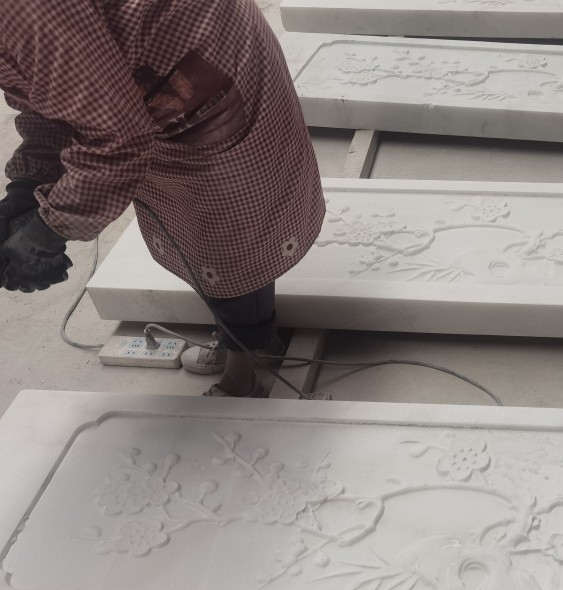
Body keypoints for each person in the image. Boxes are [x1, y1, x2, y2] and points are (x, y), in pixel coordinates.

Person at [0, 0, 325, 396]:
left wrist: (48, 230)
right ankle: (248, 338)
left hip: (202, 63)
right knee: (208, 235)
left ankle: (246, 364)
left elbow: (118, 140)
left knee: (230, 236)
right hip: (155, 74)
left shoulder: (24, 9)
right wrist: (25, 188)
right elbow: (45, 93)